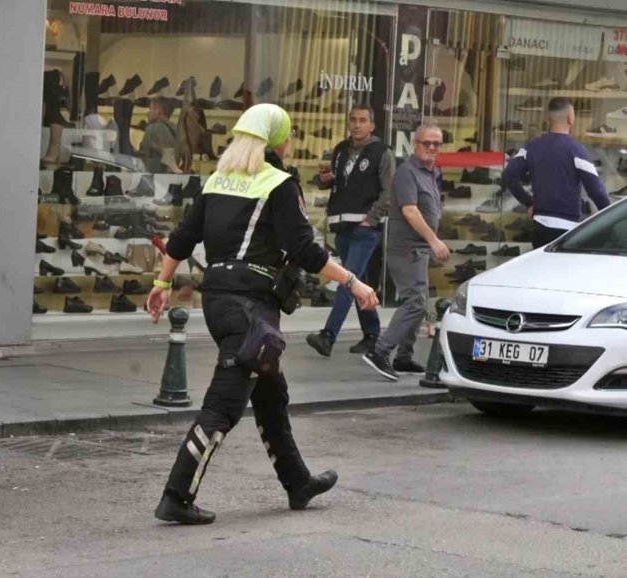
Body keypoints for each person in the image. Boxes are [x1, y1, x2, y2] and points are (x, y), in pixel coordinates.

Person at [146, 104, 379, 525]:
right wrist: (354, 282)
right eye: (287, 136)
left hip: (219, 303)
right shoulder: (278, 184)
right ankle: (176, 495)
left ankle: (298, 483)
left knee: (271, 394)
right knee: (223, 407)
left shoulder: (218, 181)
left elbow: (181, 239)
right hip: (251, 310)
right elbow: (307, 251)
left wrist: (162, 285)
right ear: (278, 142)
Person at [362, 124, 450, 382]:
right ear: (415, 143)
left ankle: (404, 356)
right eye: (426, 143)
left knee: (417, 302)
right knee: (415, 302)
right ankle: (379, 351)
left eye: (436, 144)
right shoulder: (407, 172)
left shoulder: (430, 172)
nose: (431, 148)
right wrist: (434, 240)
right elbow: (410, 210)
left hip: (418, 248)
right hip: (406, 249)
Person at [306, 104, 395, 357]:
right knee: (360, 280)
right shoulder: (340, 150)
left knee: (348, 281)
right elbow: (342, 182)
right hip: (341, 226)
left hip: (365, 229)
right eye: (353, 119)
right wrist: (325, 181)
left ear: (372, 125)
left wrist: (372, 219)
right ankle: (372, 334)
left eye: (362, 120)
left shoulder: (382, 152)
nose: (356, 124)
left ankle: (328, 336)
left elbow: (389, 192)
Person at [503, 97, 610, 248]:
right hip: (568, 230)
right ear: (570, 118)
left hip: (540, 226)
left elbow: (509, 174)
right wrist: (610, 219)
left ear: (549, 119)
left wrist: (528, 203)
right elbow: (596, 191)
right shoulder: (577, 149)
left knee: (542, 271)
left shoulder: (532, 146)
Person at [139, 96, 178, 173]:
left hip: (154, 172)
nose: (148, 113)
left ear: (160, 112)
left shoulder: (152, 128)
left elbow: (144, 152)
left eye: (151, 109)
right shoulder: (175, 128)